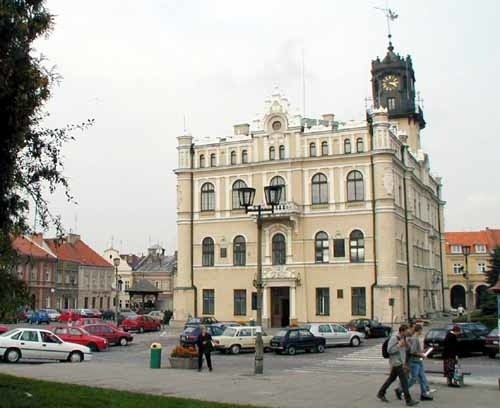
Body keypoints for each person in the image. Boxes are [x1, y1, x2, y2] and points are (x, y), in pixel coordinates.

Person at [377, 324, 419, 406]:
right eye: (406, 331)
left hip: (400, 362)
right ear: (402, 331)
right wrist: (399, 345)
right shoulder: (394, 338)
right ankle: (408, 400)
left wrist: (407, 345)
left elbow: (404, 351)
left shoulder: (403, 338)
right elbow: (389, 350)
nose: (408, 332)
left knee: (391, 378)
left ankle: (381, 393)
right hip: (396, 362)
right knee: (404, 381)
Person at [395, 324, 433, 401]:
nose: (421, 332)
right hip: (415, 361)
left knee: (422, 377)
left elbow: (415, 350)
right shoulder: (415, 339)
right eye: (421, 330)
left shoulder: (414, 338)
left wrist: (423, 351)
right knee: (413, 379)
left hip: (417, 361)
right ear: (419, 330)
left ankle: (424, 394)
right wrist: (422, 354)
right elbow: (413, 351)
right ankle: (400, 390)